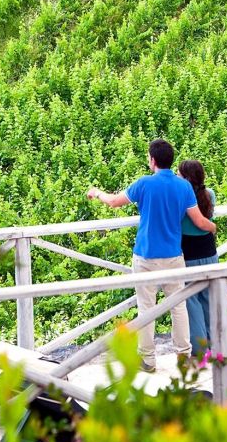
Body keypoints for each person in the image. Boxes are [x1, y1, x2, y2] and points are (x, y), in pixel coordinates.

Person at [86, 139, 216, 373]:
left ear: (152, 160)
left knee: (146, 308)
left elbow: (115, 202)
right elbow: (198, 220)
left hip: (146, 256)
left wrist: (97, 193)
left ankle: (148, 360)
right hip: (174, 255)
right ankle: (183, 356)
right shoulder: (184, 187)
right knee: (178, 306)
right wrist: (212, 227)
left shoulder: (144, 184)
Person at [177, 159, 218, 358]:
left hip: (188, 253)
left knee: (191, 302)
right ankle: (216, 344)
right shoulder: (209, 194)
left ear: (185, 178)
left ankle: (200, 350)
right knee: (209, 299)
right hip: (210, 252)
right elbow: (208, 221)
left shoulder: (181, 197)